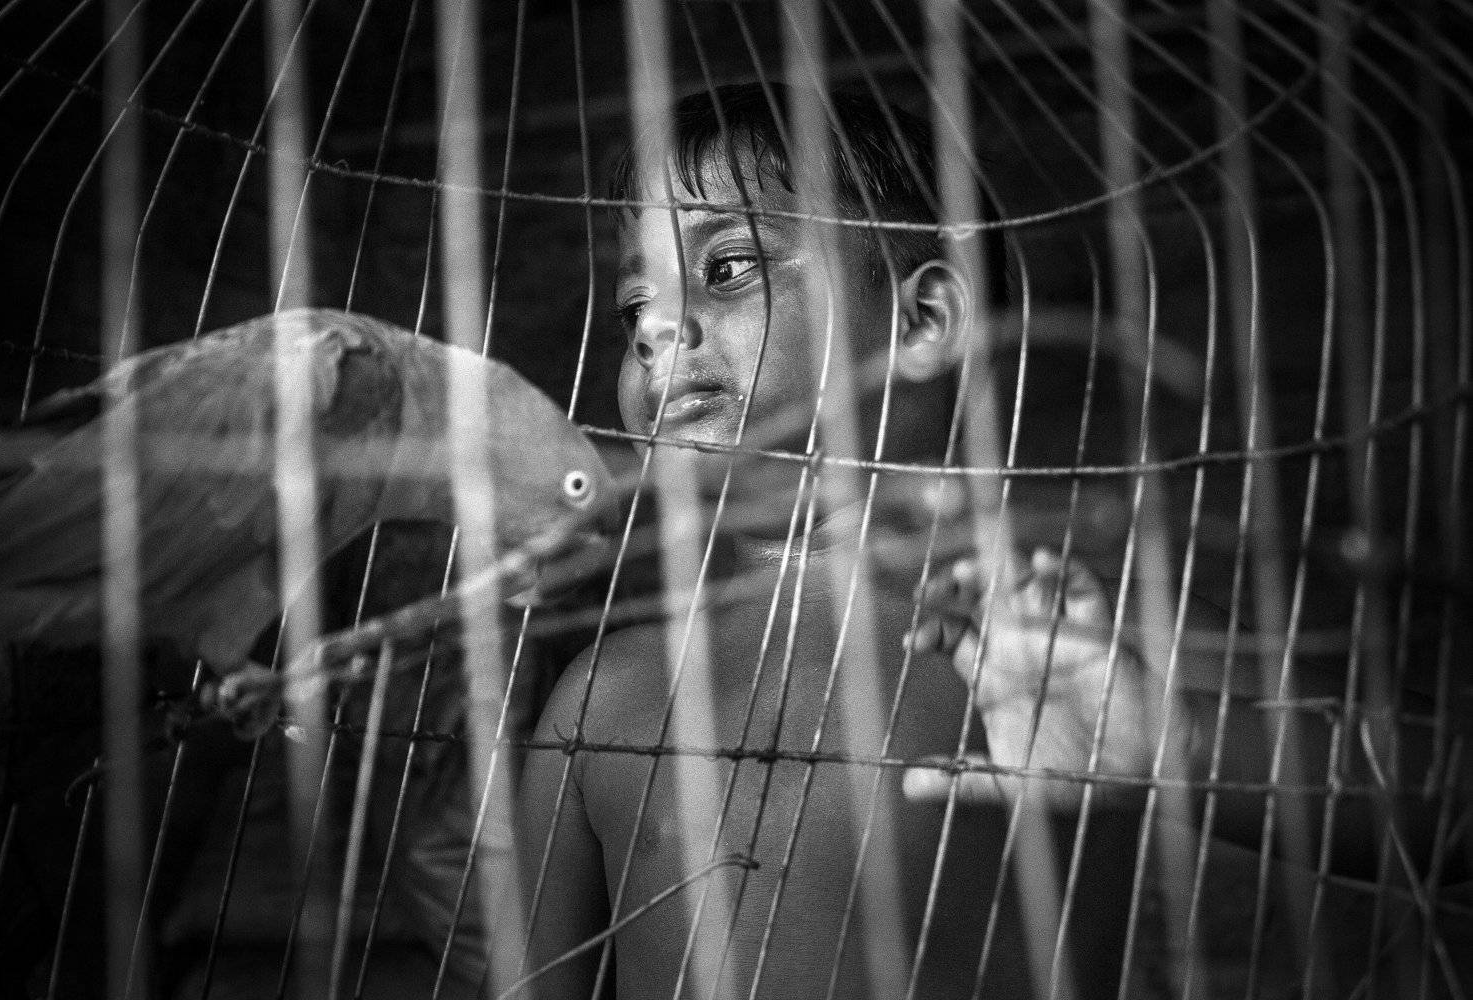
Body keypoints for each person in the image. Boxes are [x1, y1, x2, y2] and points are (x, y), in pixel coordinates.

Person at [513, 82, 1461, 1000]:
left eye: (727, 268)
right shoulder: (605, 693)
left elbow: (1448, 810)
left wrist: (1179, 742)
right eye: (634, 308)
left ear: (926, 321)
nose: (655, 330)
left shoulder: (1057, 623)